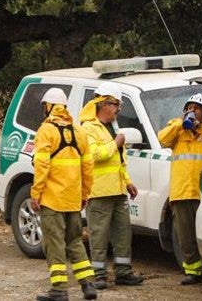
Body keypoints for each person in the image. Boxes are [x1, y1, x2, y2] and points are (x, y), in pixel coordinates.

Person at [31, 87, 97, 301]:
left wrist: (36, 193)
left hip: (52, 199)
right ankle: (88, 285)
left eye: (44, 106)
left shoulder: (45, 131)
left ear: (49, 106)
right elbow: (88, 167)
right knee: (75, 241)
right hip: (73, 199)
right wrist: (85, 194)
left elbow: (41, 165)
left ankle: (59, 290)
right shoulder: (79, 132)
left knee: (54, 244)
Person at [78, 83, 143, 289]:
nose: (118, 110)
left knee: (123, 232)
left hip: (118, 190)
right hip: (98, 192)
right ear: (104, 104)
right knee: (99, 235)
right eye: (116, 105)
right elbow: (94, 155)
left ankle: (123, 272)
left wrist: (128, 182)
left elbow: (119, 161)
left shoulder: (113, 127)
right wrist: (115, 144)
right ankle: (99, 275)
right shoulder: (88, 127)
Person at [158, 93, 202, 285]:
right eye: (189, 108)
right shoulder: (176, 129)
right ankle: (193, 271)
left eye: (197, 109)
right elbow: (162, 139)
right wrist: (181, 123)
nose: (192, 111)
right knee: (185, 236)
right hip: (181, 192)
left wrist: (199, 127)